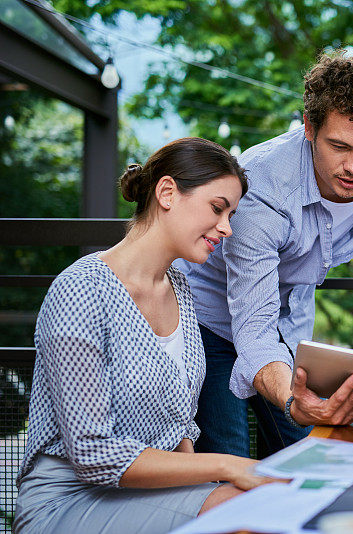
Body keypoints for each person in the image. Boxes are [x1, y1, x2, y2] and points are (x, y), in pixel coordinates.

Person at [179, 51, 353, 457]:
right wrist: (292, 401)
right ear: (308, 126)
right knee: (227, 462)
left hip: (289, 319)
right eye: (339, 146)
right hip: (212, 321)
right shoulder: (260, 194)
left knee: (309, 452)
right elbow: (253, 333)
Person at [14, 138, 269, 534]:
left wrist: (210, 486)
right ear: (167, 192)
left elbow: (181, 427)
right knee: (241, 505)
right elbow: (91, 453)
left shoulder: (181, 290)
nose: (227, 228)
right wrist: (226, 465)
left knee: (250, 502)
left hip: (147, 493)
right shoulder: (81, 290)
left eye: (231, 214)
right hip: (67, 499)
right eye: (218, 209)